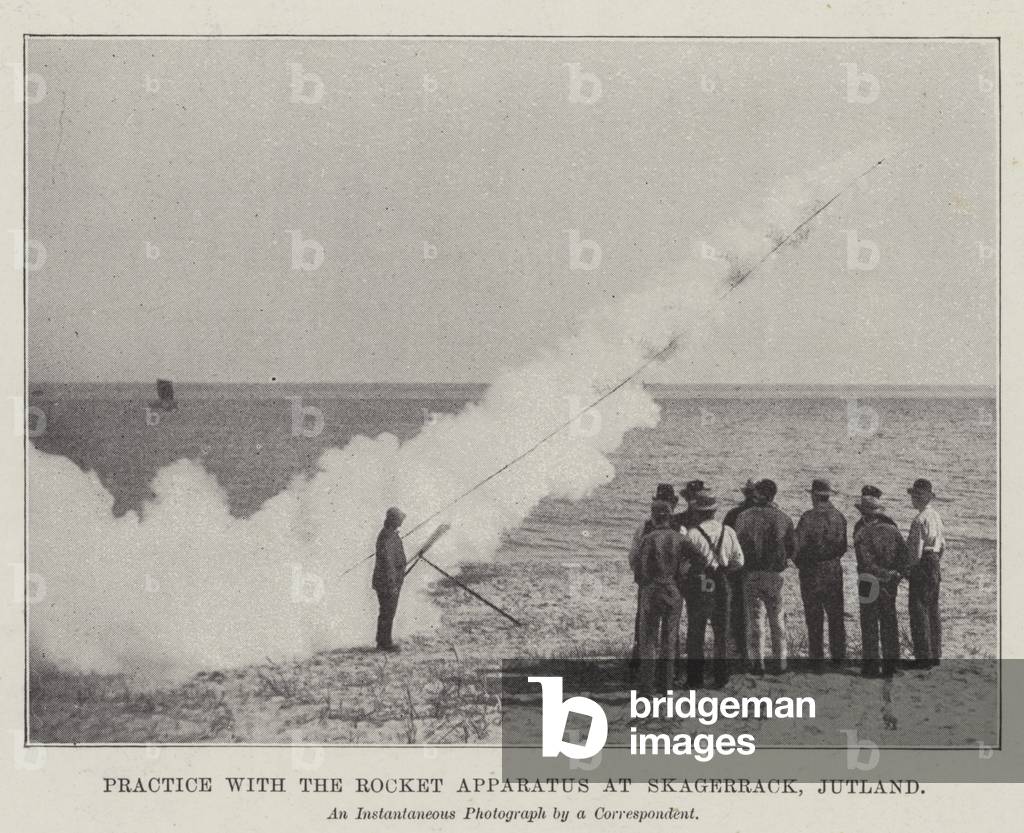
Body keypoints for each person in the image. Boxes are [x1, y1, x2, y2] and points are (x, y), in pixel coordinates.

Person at [632, 500, 694, 693]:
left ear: (653, 516)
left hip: (652, 589)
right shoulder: (680, 538)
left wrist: (645, 582)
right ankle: (666, 685)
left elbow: (638, 567)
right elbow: (700, 559)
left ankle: (647, 688)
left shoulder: (648, 538)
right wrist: (682, 574)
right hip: (672, 588)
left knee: (648, 640)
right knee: (669, 639)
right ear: (670, 517)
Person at [683, 490, 744, 688]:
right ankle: (721, 676)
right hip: (722, 583)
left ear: (698, 512)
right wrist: (724, 570)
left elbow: (684, 567)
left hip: (700, 585)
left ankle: (695, 678)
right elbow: (739, 561)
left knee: (696, 632)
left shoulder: (693, 534)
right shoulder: (728, 532)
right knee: (721, 632)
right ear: (715, 511)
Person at [734, 479, 796, 674]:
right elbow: (792, 548)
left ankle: (757, 662)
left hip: (752, 573)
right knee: (777, 619)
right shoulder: (784, 518)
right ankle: (781, 661)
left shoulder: (744, 517)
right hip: (774, 574)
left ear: (758, 494)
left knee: (755, 619)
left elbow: (738, 546)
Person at [853, 493, 912, 678]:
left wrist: (883, 573)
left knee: (869, 622)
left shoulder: (861, 530)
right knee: (889, 622)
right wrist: (896, 575)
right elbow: (904, 556)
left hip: (868, 582)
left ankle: (870, 667)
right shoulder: (892, 529)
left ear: (863, 512)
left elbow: (864, 562)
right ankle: (891, 666)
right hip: (889, 583)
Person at [794, 479, 848, 670]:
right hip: (833, 570)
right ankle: (839, 658)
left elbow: (796, 547)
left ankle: (816, 660)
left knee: (814, 616)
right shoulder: (840, 517)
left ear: (814, 496)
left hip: (811, 571)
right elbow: (843, 547)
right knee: (836, 615)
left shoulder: (807, 518)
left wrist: (801, 563)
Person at [628, 484, 682, 667]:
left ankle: (640, 666)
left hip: (648, 583)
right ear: (673, 503)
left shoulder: (644, 527)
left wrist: (640, 575)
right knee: (671, 629)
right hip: (672, 583)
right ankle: (669, 670)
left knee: (644, 626)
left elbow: (633, 557)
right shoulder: (679, 529)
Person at [906, 478, 946, 669]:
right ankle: (935, 654)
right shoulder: (936, 516)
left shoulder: (919, 520)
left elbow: (915, 552)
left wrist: (909, 570)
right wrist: (935, 563)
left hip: (923, 564)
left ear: (919, 499)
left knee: (919, 610)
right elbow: (943, 545)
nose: (912, 499)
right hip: (934, 562)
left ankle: (923, 658)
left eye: (915, 496)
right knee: (933, 610)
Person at [722, 478, 758, 669]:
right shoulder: (767, 513)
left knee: (737, 612)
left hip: (737, 570)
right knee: (756, 615)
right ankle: (752, 654)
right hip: (756, 568)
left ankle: (739, 652)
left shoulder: (733, 514)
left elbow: (725, 544)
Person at [372, 506, 408, 652]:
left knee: (388, 611)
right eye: (399, 519)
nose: (401, 522)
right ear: (392, 519)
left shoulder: (390, 534)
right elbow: (388, 563)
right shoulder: (387, 536)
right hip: (387, 581)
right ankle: (384, 643)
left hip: (389, 580)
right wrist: (393, 582)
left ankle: (384, 641)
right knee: (387, 611)